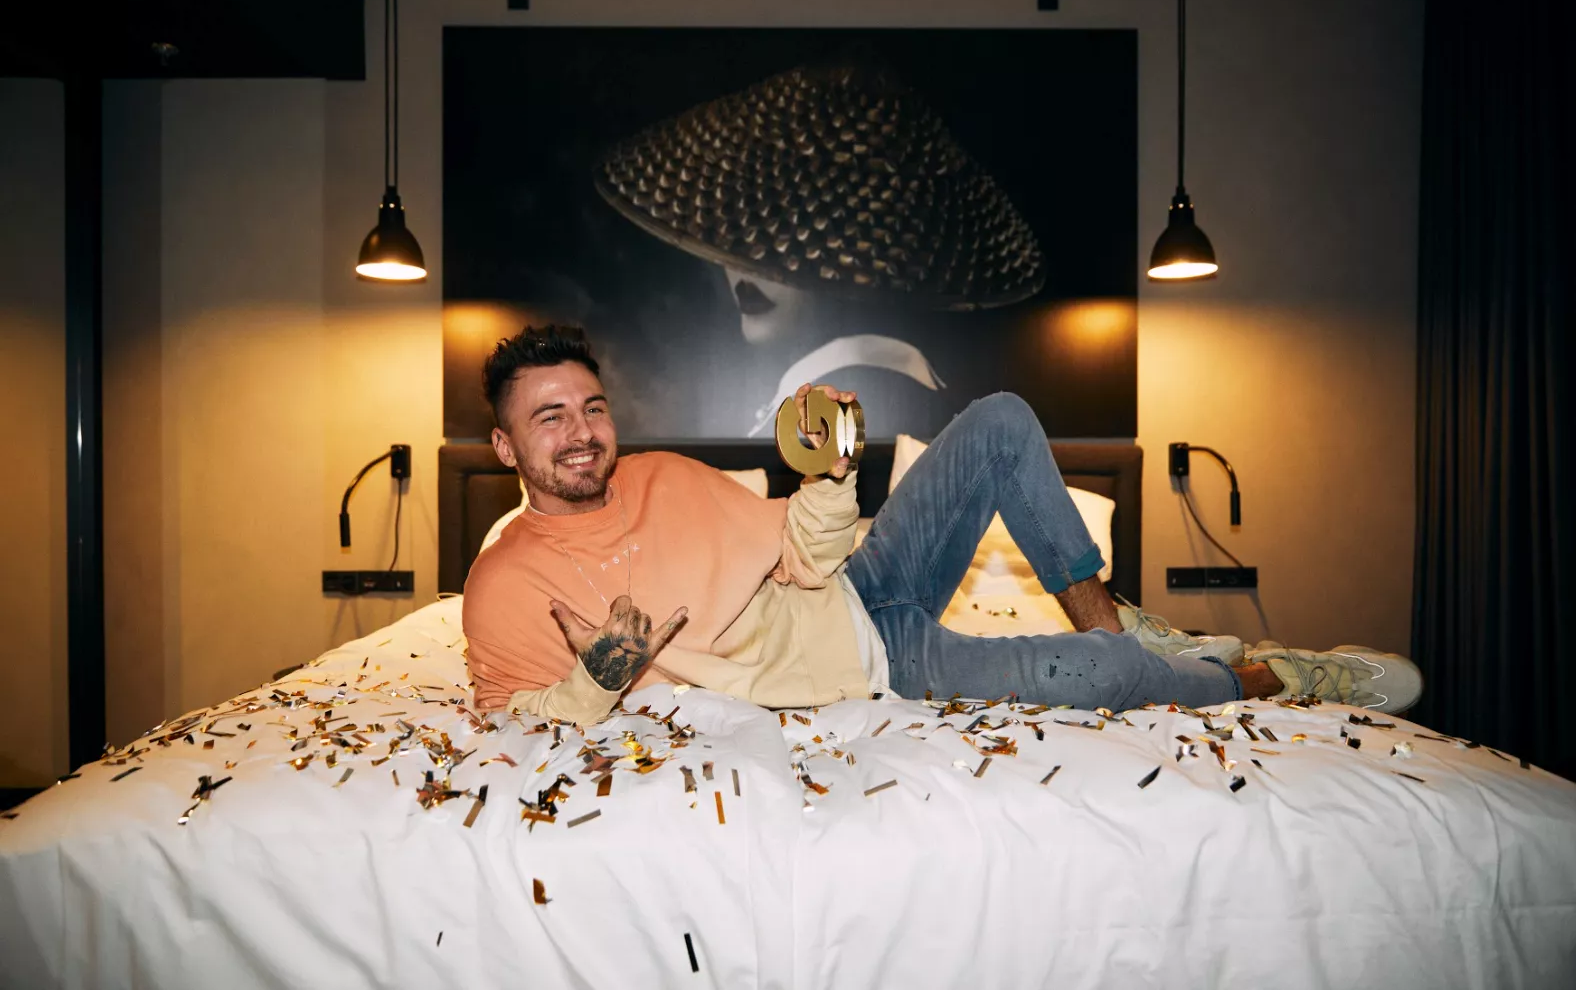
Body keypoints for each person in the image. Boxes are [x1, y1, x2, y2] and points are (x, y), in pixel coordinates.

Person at [462, 325, 1422, 725]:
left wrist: (833, 473)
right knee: (1105, 681)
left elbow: (805, 557)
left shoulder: (665, 476)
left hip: (860, 586)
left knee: (1000, 417)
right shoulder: (506, 583)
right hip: (886, 662)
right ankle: (1273, 676)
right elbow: (511, 721)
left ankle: (1117, 624)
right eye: (549, 418)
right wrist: (598, 679)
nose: (581, 433)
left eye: (591, 407)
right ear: (504, 446)